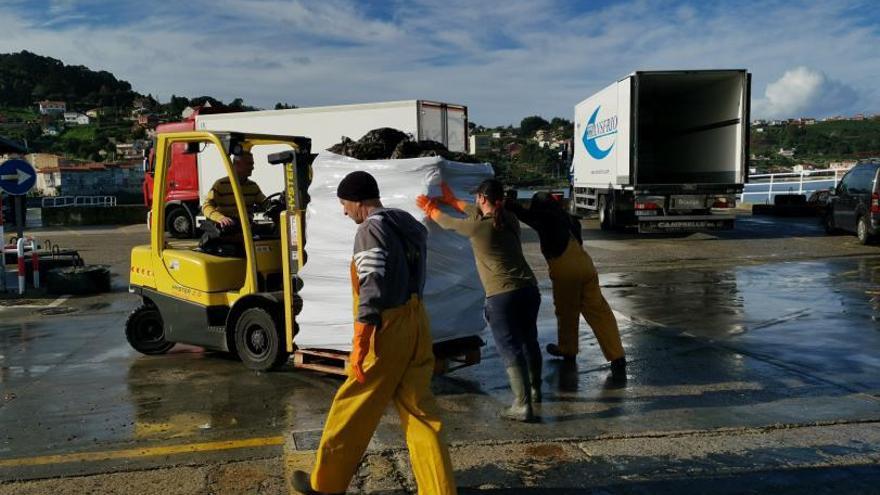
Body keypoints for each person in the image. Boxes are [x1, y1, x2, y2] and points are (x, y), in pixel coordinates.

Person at [291, 171, 456, 495]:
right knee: (419, 413)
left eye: (344, 204)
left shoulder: (371, 229)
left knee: (352, 406)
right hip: (417, 322)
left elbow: (372, 284)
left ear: (357, 200)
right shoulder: (407, 224)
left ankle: (325, 486)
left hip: (386, 328)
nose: (343, 211)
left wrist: (362, 342)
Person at [416, 179, 541, 422]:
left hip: (502, 296)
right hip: (529, 289)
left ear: (483, 198)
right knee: (529, 340)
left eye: (477, 198)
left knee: (509, 347)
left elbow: (449, 223)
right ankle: (535, 392)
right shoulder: (509, 219)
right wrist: (453, 200)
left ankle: (521, 405)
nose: (475, 201)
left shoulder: (478, 228)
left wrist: (431, 209)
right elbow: (475, 213)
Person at [507, 192, 626, 378]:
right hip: (586, 264)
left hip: (565, 268)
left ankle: (568, 349)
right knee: (599, 311)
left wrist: (508, 204)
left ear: (539, 207)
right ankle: (617, 356)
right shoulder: (570, 218)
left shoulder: (545, 218)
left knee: (567, 311)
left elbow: (526, 216)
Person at [199, 150, 266, 255]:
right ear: (237, 164)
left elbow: (264, 202)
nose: (252, 167)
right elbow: (206, 206)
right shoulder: (221, 185)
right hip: (229, 228)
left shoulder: (252, 186)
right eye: (249, 164)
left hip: (245, 228)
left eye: (252, 164)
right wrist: (220, 218)